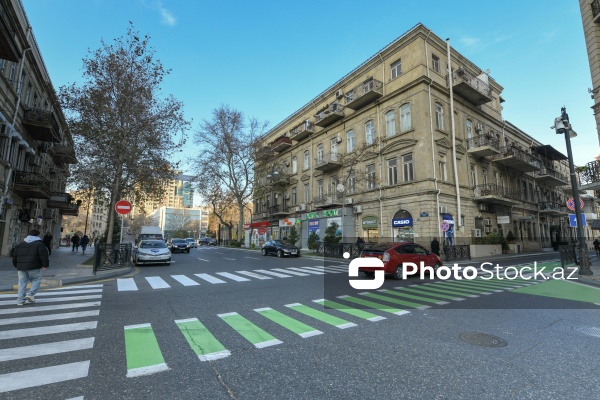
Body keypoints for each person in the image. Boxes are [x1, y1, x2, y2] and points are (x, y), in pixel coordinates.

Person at [12, 229, 49, 305]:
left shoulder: (20, 244)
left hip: (21, 267)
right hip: (34, 266)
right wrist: (45, 265)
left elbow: (14, 256)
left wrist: (17, 265)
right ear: (37, 235)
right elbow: (44, 256)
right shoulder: (40, 244)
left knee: (22, 283)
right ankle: (30, 294)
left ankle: (20, 300)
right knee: (36, 280)